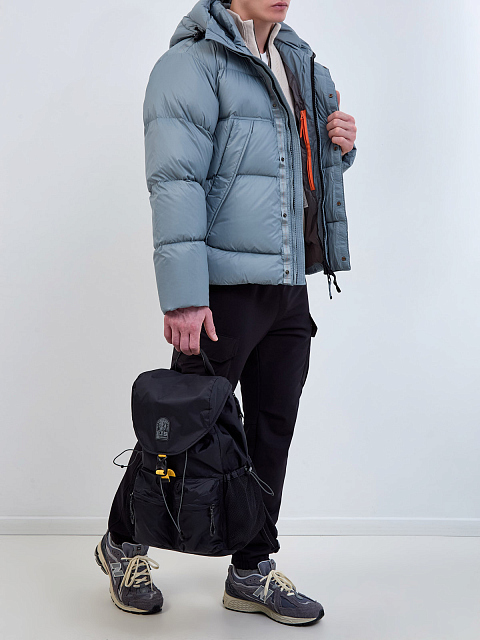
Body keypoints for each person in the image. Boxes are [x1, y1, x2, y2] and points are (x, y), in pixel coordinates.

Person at [94, 0, 357, 626]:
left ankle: (251, 569)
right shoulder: (192, 63)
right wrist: (184, 294)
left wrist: (339, 148)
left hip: (287, 282)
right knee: (183, 426)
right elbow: (175, 181)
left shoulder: (299, 60)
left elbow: (292, 170)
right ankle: (121, 544)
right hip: (220, 290)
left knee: (271, 429)